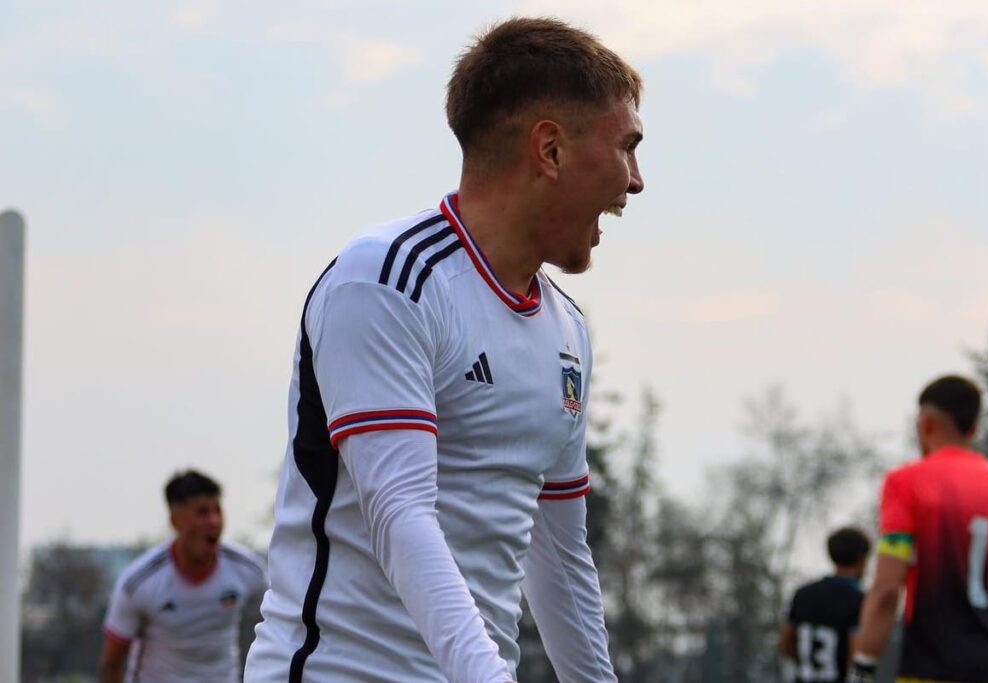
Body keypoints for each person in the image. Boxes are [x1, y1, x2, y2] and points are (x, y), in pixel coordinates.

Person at [244, 16, 644, 683]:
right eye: (626, 146)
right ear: (550, 150)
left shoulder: (567, 330)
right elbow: (401, 512)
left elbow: (561, 553)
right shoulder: (385, 279)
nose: (634, 181)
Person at [850, 375, 988, 683]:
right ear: (973, 428)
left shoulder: (907, 483)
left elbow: (888, 589)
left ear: (927, 424)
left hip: (932, 663)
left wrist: (864, 662)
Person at [99, 469, 267, 683]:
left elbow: (276, 631)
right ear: (175, 519)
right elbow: (112, 663)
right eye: (202, 512)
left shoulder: (249, 571)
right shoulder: (139, 583)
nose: (214, 521)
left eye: (218, 510)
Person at [779, 527, 870, 682]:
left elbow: (785, 644)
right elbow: (856, 655)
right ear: (861, 558)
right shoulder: (859, 600)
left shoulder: (802, 594)